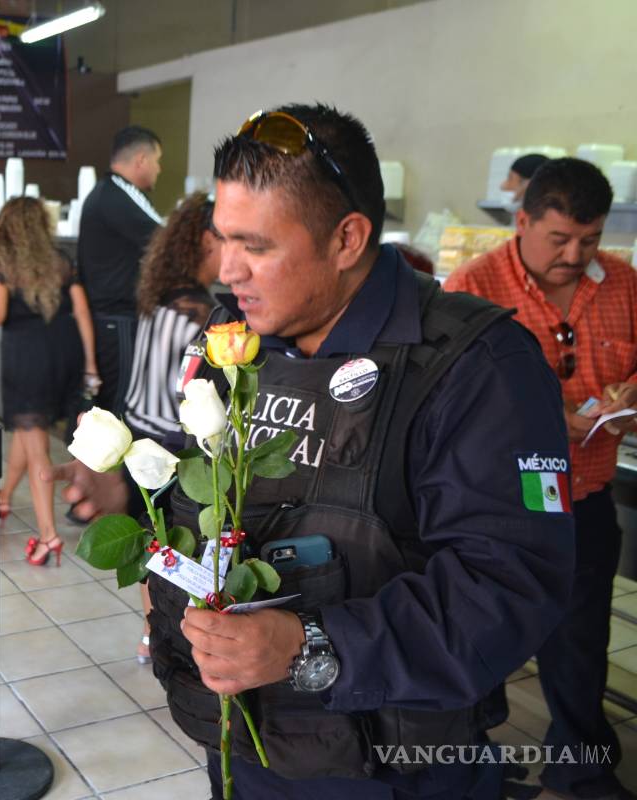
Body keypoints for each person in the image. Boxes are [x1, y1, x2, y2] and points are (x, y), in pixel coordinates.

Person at [52, 104, 575, 799]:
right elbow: (203, 479)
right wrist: (135, 485)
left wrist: (309, 643)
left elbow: (511, 588)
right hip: (243, 747)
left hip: (392, 770)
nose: (228, 270)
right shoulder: (236, 339)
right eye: (223, 239)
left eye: (256, 246)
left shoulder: (477, 368)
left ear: (347, 238)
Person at [445, 157, 636, 800]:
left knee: (580, 639)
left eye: (590, 239)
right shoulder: (472, 288)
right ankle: (467, 761)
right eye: (559, 239)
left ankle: (580, 766)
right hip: (497, 504)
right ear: (523, 222)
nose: (574, 255)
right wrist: (543, 417)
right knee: (481, 632)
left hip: (584, 496)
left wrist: (628, 393)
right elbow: (448, 404)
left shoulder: (624, 285)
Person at [120, 192, 219, 663]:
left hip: (135, 433)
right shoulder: (199, 313)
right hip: (167, 445)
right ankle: (160, 634)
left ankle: (148, 632)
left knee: (152, 542)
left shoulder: (159, 295)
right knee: (172, 550)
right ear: (207, 242)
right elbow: (193, 394)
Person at [0, 197, 95, 568]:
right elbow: (82, 311)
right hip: (63, 357)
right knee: (28, 435)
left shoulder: (0, 263)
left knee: (36, 445)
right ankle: (4, 496)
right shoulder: (59, 260)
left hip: (26, 361)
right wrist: (90, 365)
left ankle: (48, 535)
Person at [76, 125, 164, 417]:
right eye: (157, 160)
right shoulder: (118, 193)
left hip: (109, 320)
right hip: (117, 322)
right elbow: (167, 239)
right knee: (116, 413)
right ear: (141, 159)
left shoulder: (107, 193)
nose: (159, 169)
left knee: (105, 412)